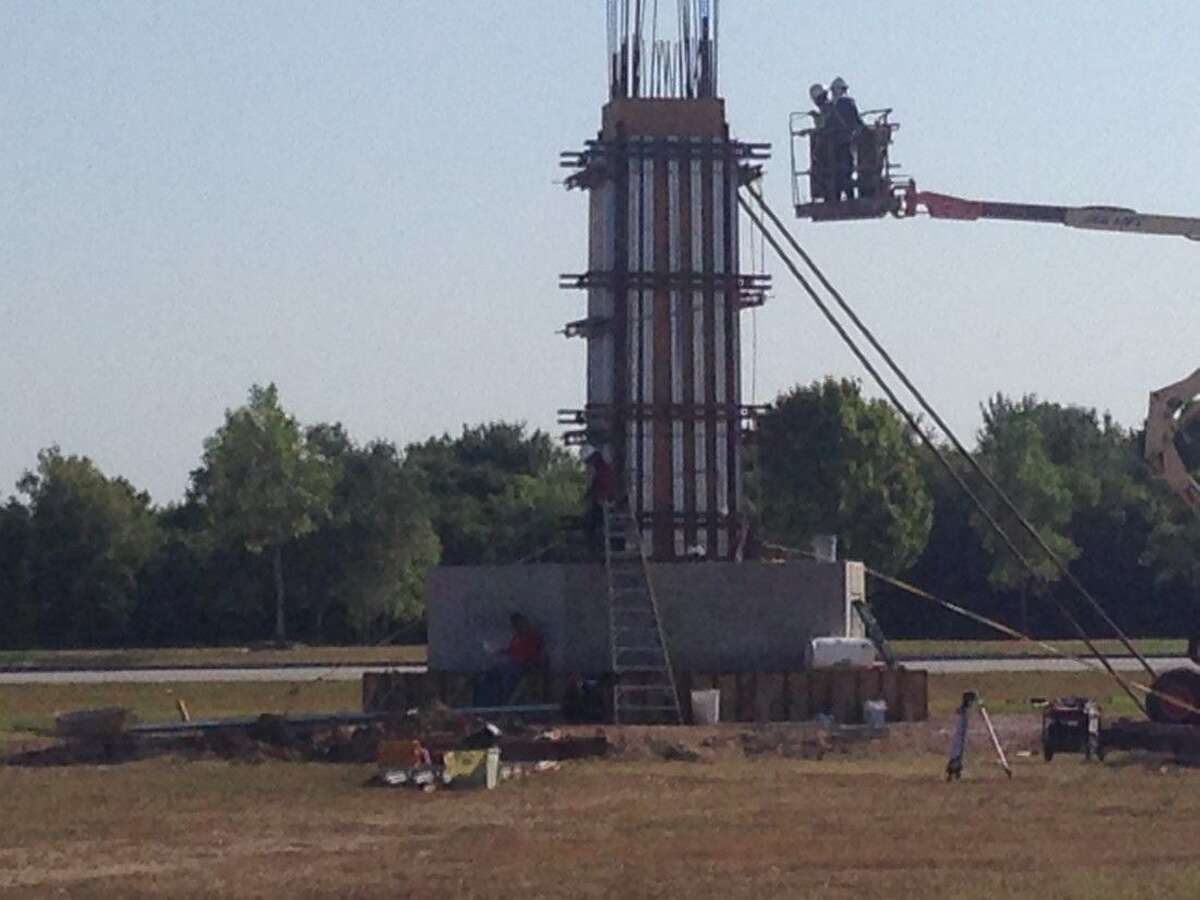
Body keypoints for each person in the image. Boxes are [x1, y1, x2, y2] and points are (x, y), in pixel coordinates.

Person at [475, 612, 546, 707]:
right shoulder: (517, 637)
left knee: (508, 676)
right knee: (488, 675)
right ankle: (486, 706)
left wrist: (523, 661)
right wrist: (497, 652)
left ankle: (506, 704)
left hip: (525, 667)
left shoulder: (533, 636)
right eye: (515, 624)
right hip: (512, 665)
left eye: (519, 623)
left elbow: (534, 654)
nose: (517, 626)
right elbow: (511, 650)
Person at [828, 76, 864, 201]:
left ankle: (835, 197)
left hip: (832, 145)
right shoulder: (848, 103)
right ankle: (850, 197)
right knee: (847, 169)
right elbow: (858, 121)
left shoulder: (830, 106)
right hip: (846, 142)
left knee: (835, 171)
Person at [582, 445, 619, 553]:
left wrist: (597, 497)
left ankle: (597, 550)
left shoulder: (601, 469)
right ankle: (598, 548)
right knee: (593, 523)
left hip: (605, 503)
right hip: (603, 502)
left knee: (592, 524)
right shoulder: (601, 468)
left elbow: (602, 486)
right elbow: (595, 486)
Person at [807, 83, 834, 202]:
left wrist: (816, 118)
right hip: (833, 142)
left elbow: (824, 124)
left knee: (819, 161)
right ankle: (826, 191)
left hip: (830, 143)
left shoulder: (829, 108)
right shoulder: (830, 107)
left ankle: (824, 191)